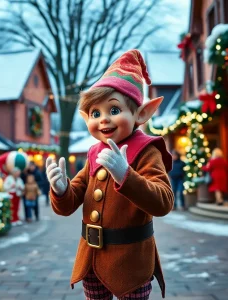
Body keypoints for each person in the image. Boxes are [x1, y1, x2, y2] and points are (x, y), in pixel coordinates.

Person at [46, 49, 174, 300]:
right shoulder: (94, 152)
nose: (104, 120)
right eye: (95, 113)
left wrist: (126, 175)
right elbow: (71, 202)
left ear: (140, 114)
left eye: (114, 110)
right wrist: (61, 190)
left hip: (130, 261)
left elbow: (163, 202)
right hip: (91, 258)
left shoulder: (146, 151)